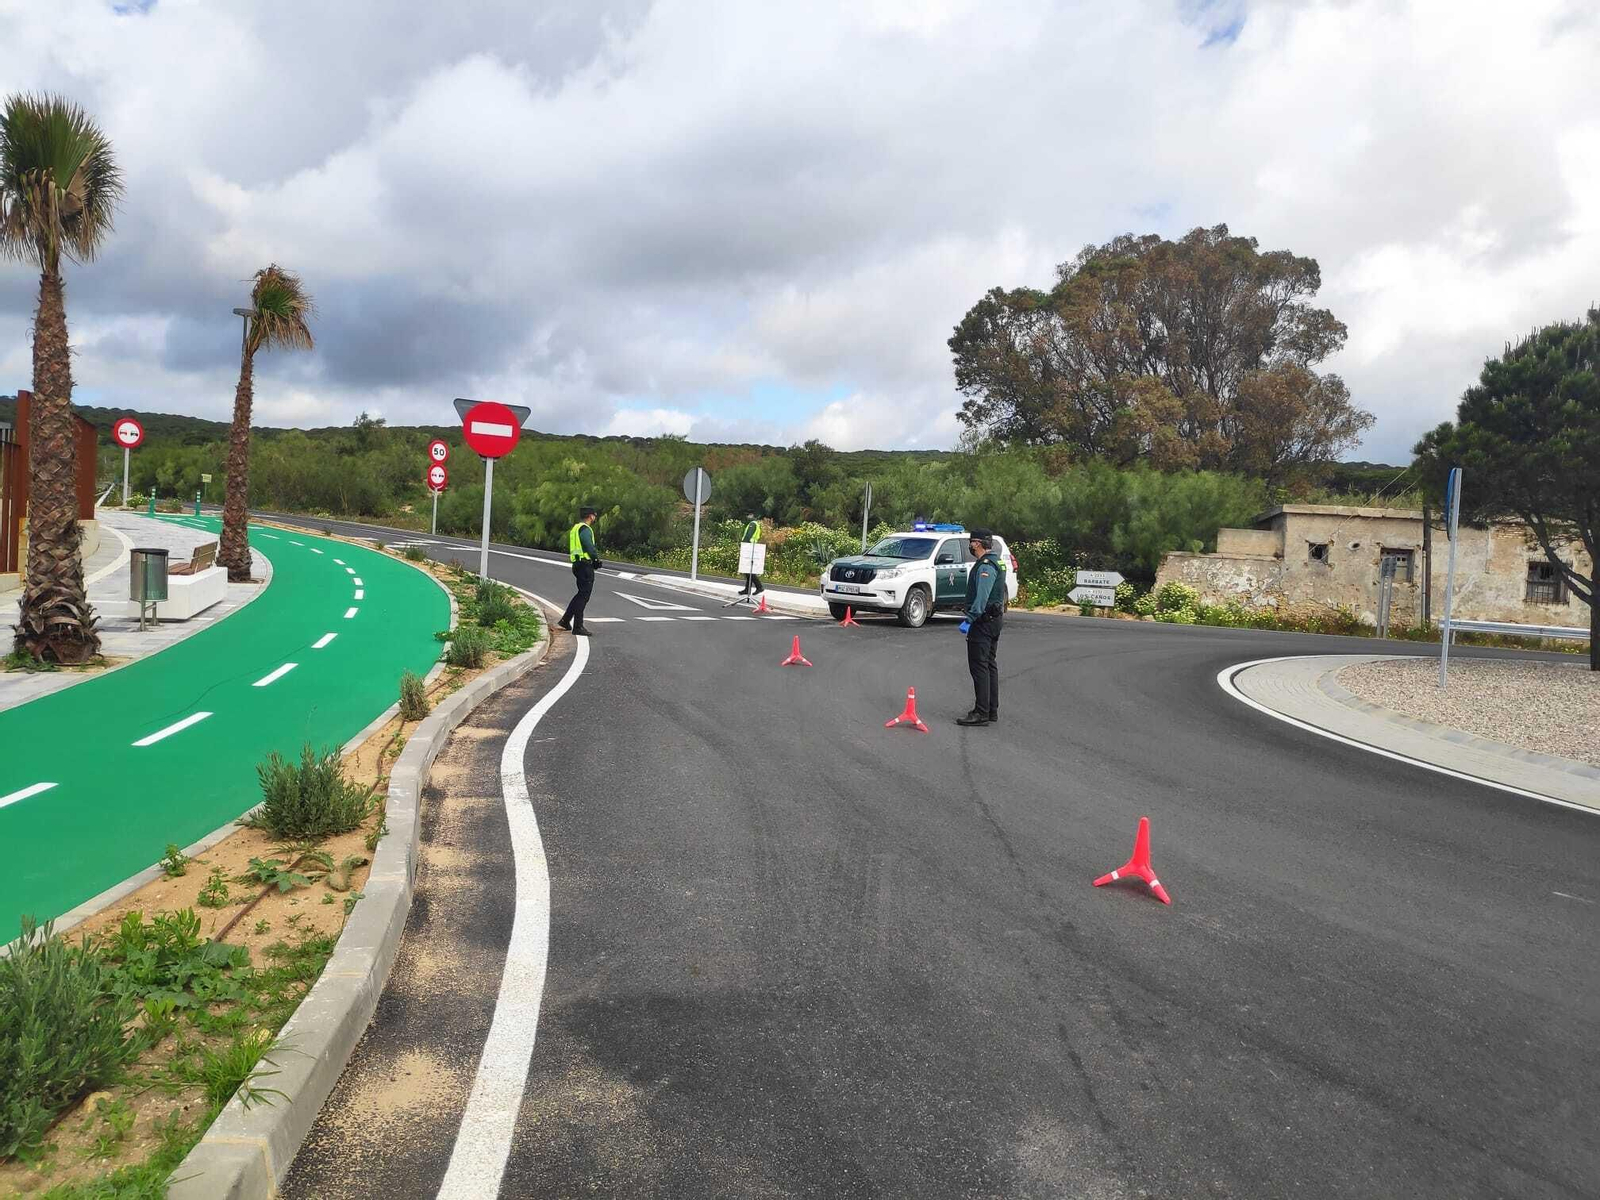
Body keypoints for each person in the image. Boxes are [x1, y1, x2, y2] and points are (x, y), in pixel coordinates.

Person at [957, 528, 1007, 727]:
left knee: (979, 667)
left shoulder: (986, 565)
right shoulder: (998, 561)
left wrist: (970, 619)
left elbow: (982, 596)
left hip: (983, 622)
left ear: (977, 543)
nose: (970, 545)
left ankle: (981, 712)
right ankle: (991, 709)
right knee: (989, 665)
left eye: (971, 542)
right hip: (994, 619)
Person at [559, 506, 601, 636]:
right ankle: (578, 626)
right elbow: (588, 545)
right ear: (590, 516)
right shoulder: (585, 530)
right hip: (585, 565)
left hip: (577, 563)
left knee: (580, 594)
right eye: (594, 515)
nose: (595, 518)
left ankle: (565, 620)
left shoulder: (576, 528)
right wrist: (595, 559)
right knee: (584, 596)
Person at [739, 513, 765, 596]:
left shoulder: (752, 524)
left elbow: (748, 536)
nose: (747, 517)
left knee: (748, 570)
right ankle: (747, 589)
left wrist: (743, 545)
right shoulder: (755, 524)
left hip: (749, 548)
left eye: (749, 515)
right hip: (752, 547)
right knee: (748, 569)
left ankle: (759, 586)